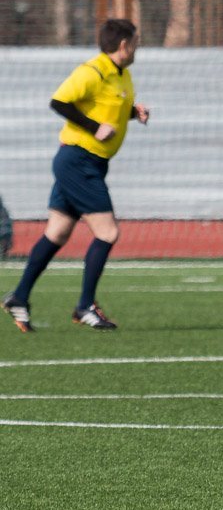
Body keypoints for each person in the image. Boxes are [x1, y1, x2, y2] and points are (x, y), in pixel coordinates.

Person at [2, 19, 149, 332]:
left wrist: (134, 113)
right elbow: (59, 101)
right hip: (78, 162)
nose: (137, 48)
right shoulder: (92, 71)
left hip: (91, 164)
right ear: (123, 45)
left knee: (57, 232)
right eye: (135, 42)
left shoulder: (122, 76)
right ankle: (84, 306)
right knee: (107, 233)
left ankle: (19, 297)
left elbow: (110, 109)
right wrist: (95, 129)